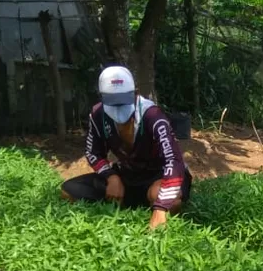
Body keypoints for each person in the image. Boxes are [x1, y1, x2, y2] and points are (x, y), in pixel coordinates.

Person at [61, 65, 192, 230]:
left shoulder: (152, 116)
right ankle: (136, 201)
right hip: (127, 176)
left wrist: (161, 208)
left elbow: (174, 160)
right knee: (69, 191)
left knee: (163, 198)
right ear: (102, 97)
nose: (118, 108)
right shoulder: (98, 115)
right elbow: (93, 152)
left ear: (135, 93)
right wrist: (111, 177)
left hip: (158, 175)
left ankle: (156, 205)